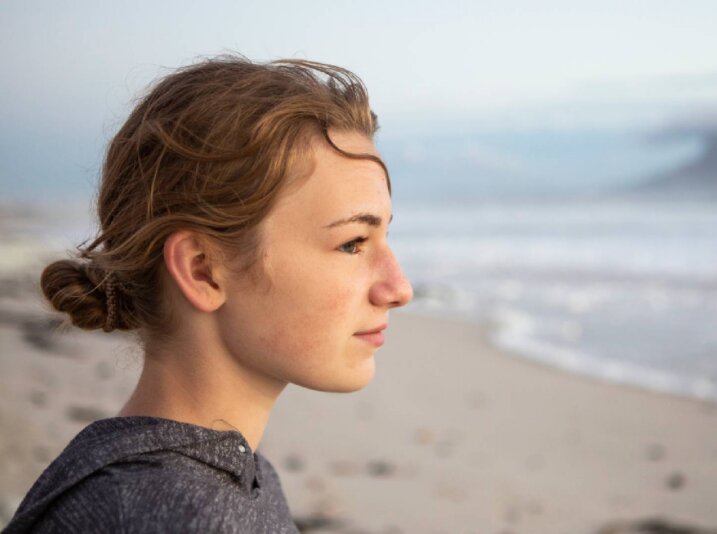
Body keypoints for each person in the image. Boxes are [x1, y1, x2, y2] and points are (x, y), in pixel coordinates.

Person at [3, 55, 413, 533]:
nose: (398, 288)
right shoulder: (179, 514)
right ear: (203, 271)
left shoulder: (164, 476)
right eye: (352, 243)